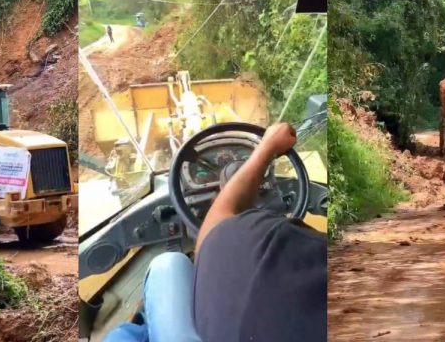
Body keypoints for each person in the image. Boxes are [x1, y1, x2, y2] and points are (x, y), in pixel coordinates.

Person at [104, 123, 327, 342]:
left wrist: (266, 149)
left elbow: (215, 231)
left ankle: (142, 321)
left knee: (168, 264)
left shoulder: (268, 244)